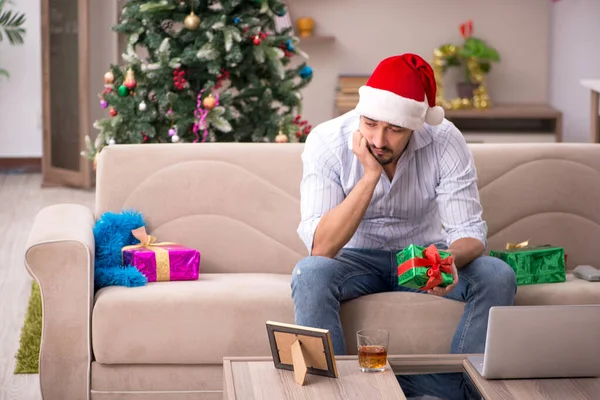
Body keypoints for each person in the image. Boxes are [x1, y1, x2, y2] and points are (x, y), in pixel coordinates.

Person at [291, 53, 517, 400]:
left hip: (425, 255)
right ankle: (339, 394)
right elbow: (321, 247)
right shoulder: (327, 141)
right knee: (310, 273)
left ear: (415, 125)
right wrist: (370, 175)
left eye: (394, 129)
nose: (379, 140)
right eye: (370, 124)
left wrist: (445, 259)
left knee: (497, 275)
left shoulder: (445, 140)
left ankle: (458, 391)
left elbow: (470, 234)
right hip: (354, 261)